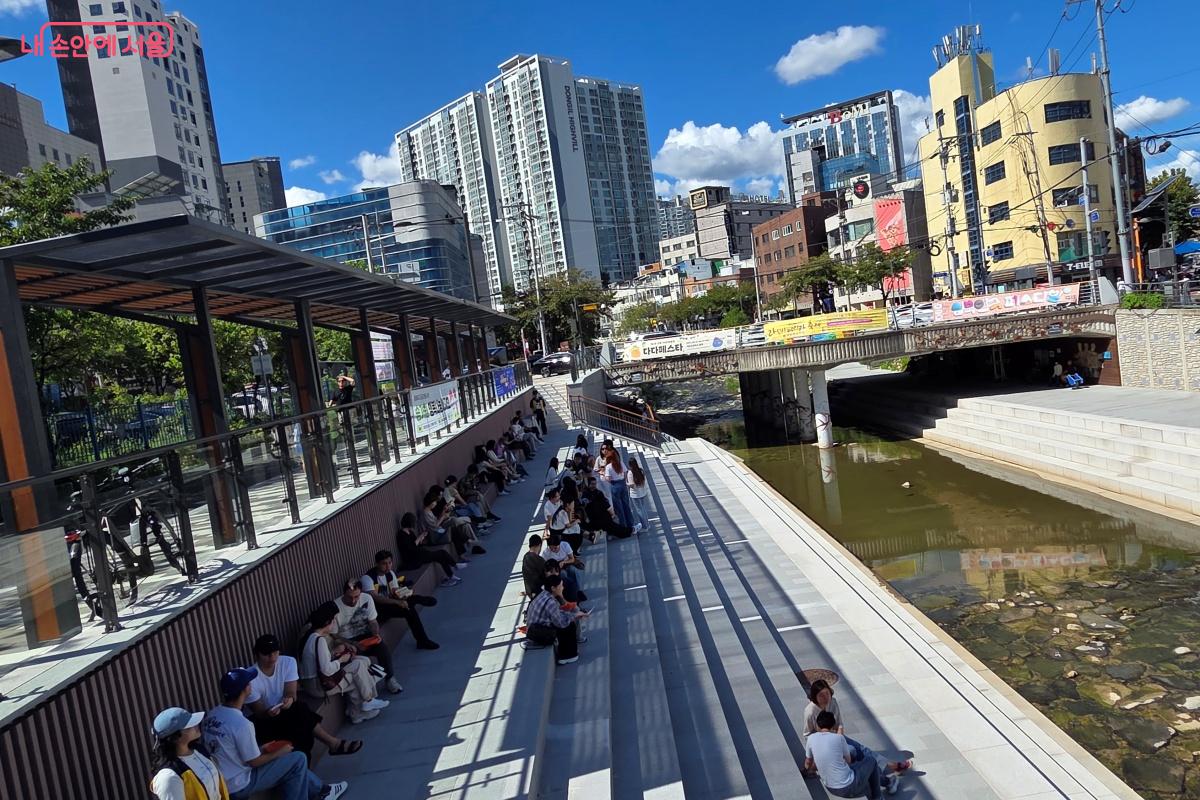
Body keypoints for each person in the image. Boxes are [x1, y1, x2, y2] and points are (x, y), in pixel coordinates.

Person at [202, 668, 348, 800]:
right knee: (298, 759)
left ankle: (322, 791)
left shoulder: (212, 715)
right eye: (249, 682)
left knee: (289, 762)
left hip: (222, 780)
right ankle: (322, 792)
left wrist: (262, 749)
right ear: (246, 689)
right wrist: (279, 752)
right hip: (239, 784)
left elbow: (229, 751)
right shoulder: (242, 724)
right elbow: (254, 762)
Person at [245, 634, 361, 761]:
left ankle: (332, 746)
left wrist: (289, 700)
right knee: (300, 713)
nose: (272, 657)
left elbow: (291, 692)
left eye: (275, 652)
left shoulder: (287, 662)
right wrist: (269, 712)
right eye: (266, 654)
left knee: (299, 717)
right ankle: (333, 743)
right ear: (257, 655)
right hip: (265, 720)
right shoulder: (250, 677)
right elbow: (259, 712)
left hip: (288, 710)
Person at [803, 681, 910, 789]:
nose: (826, 697)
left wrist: (839, 738)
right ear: (815, 696)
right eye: (821, 695)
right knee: (852, 751)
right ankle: (879, 777)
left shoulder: (833, 702)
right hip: (821, 743)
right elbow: (807, 734)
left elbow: (839, 724)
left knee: (862, 749)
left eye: (827, 693)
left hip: (836, 737)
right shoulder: (810, 711)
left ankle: (891, 765)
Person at [298, 602, 388, 725]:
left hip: (314, 682)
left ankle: (357, 711)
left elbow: (318, 660)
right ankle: (367, 701)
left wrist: (335, 653)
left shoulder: (311, 636)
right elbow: (326, 670)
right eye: (333, 620)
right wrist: (341, 660)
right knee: (358, 669)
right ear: (327, 622)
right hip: (318, 686)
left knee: (361, 663)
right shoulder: (319, 640)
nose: (335, 623)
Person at [331, 579, 406, 693]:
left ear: (361, 592)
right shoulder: (336, 606)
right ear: (343, 593)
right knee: (360, 660)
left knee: (383, 649)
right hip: (347, 641)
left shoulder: (367, 598)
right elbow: (334, 635)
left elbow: (373, 621)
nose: (353, 600)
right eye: (349, 597)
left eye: (356, 596)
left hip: (366, 636)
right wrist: (353, 643)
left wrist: (376, 634)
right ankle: (368, 692)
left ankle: (390, 679)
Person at [804, 710, 897, 799]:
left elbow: (808, 763)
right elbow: (848, 761)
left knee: (856, 761)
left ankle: (886, 781)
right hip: (849, 788)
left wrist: (808, 771)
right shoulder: (839, 738)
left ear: (817, 725)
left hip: (831, 788)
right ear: (833, 725)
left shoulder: (811, 738)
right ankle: (878, 795)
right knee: (871, 761)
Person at [360, 549, 440, 650]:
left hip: (389, 605)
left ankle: (422, 640)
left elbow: (395, 591)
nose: (388, 566)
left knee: (409, 608)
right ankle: (417, 600)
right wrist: (397, 602)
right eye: (384, 564)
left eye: (390, 563)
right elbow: (376, 598)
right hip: (377, 611)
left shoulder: (390, 574)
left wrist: (405, 594)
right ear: (377, 564)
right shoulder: (367, 578)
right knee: (409, 608)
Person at [150, 707, 230, 800]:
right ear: (175, 737)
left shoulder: (200, 750)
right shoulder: (168, 777)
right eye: (189, 725)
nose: (196, 725)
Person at [525, 575, 589, 665]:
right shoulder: (550, 602)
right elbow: (561, 623)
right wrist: (575, 615)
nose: (563, 587)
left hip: (534, 629)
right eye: (561, 586)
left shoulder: (544, 594)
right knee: (569, 625)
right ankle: (568, 656)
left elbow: (558, 613)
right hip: (538, 634)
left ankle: (567, 652)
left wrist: (575, 614)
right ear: (553, 588)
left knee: (568, 619)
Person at [396, 511, 461, 587]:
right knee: (441, 553)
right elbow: (410, 548)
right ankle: (454, 566)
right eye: (413, 522)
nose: (414, 524)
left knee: (441, 556)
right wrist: (419, 537)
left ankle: (451, 574)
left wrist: (422, 538)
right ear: (409, 522)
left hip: (420, 553)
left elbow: (417, 544)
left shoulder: (410, 532)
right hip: (413, 559)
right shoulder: (401, 534)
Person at [542, 532, 584, 602]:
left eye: (555, 548)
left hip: (567, 563)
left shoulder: (565, 545)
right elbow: (545, 565)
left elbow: (572, 559)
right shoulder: (546, 552)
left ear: (559, 544)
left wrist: (564, 562)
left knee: (573, 570)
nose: (553, 550)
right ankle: (569, 590)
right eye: (551, 548)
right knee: (563, 574)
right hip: (556, 569)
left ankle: (578, 590)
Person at [604, 448, 636, 530]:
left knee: (619, 507)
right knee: (626, 504)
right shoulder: (620, 463)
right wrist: (623, 480)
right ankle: (630, 523)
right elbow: (625, 473)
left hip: (614, 485)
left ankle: (623, 525)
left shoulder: (608, 467)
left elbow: (608, 478)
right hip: (622, 484)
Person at [627, 457, 650, 534]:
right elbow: (643, 481)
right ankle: (647, 524)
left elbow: (632, 485)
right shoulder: (641, 470)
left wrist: (626, 483)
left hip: (635, 494)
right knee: (643, 509)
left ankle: (645, 526)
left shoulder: (630, 473)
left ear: (630, 465)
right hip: (642, 492)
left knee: (639, 510)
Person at [521, 534, 546, 601]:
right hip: (539, 591)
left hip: (530, 592)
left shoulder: (525, 557)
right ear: (539, 545)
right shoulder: (539, 560)